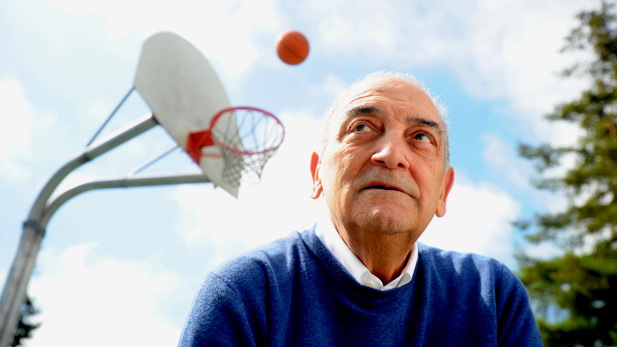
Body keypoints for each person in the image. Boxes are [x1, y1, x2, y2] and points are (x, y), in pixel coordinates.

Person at [179, 72, 543, 346]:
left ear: (443, 192)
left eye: (420, 137)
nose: (391, 155)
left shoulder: (492, 298)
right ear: (317, 174)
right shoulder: (243, 294)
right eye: (362, 127)